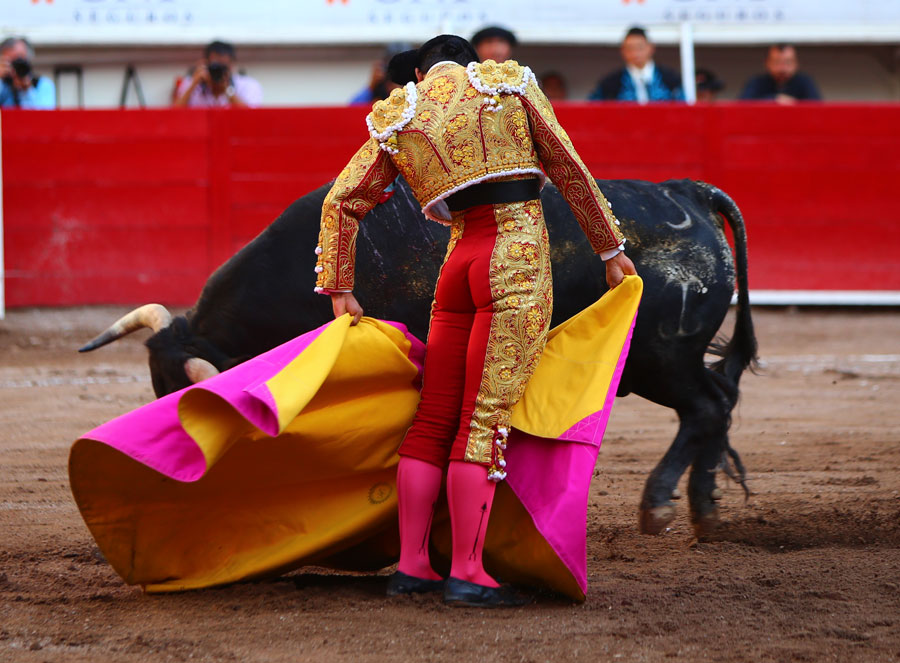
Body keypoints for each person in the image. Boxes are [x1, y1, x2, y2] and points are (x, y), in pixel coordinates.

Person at [314, 35, 636, 607]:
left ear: (419, 71)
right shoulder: (506, 82)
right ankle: (467, 570)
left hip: (458, 264)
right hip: (512, 255)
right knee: (482, 416)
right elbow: (566, 163)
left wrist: (340, 287)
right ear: (472, 61)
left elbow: (341, 199)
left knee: (434, 415)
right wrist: (609, 250)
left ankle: (413, 565)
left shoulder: (402, 112)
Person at [589, 26, 684, 103]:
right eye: (630, 48)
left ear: (651, 48)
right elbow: (594, 108)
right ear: (623, 51)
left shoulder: (670, 79)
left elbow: (683, 108)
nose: (635, 53)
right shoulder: (610, 83)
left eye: (639, 48)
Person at [174, 41, 262, 108]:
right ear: (205, 63)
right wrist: (193, 84)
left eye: (223, 67)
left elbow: (251, 117)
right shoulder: (191, 83)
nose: (219, 72)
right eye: (215, 66)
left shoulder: (248, 85)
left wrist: (227, 90)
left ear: (231, 65)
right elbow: (174, 114)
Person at [739, 44, 821, 104]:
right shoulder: (757, 82)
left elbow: (817, 106)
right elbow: (742, 105)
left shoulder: (805, 81)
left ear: (796, 64)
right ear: (768, 63)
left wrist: (794, 103)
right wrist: (774, 99)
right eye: (777, 62)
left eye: (788, 63)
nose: (782, 68)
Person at [0, 37, 56, 109]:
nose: (16, 65)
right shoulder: (3, 85)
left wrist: (27, 90)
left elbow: (45, 116)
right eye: (11, 61)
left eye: (20, 59)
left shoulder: (42, 84)